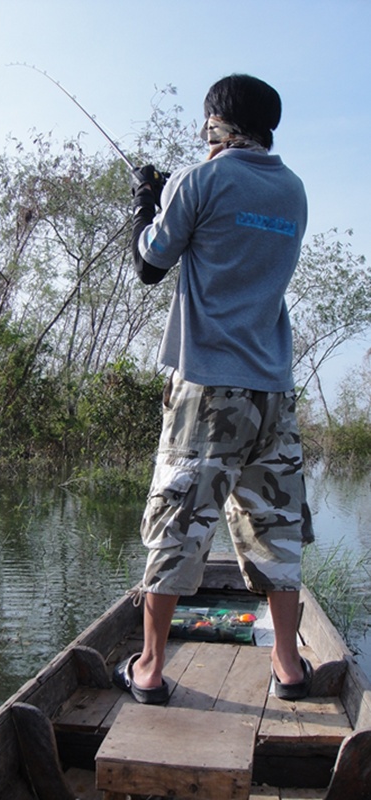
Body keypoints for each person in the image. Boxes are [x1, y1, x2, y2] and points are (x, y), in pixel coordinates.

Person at [113, 74, 315, 705]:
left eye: (208, 129)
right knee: (275, 528)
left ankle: (148, 668)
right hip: (273, 396)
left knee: (176, 526)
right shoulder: (294, 191)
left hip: (207, 394)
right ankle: (288, 666)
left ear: (217, 127)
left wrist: (147, 201)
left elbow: (149, 264)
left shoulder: (199, 181)